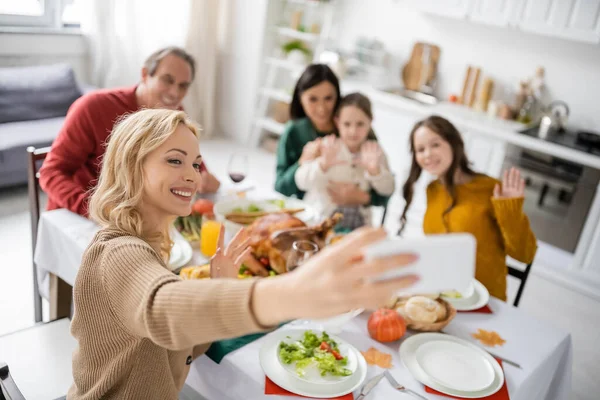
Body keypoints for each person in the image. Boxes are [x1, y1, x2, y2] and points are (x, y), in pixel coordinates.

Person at [67, 108, 418, 399]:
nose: (192, 175)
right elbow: (162, 312)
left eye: (196, 164)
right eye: (175, 160)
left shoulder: (149, 247)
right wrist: (293, 294)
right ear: (130, 166)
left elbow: (176, 346)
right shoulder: (117, 252)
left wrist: (218, 287)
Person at [39, 46, 220, 217]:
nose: (175, 93)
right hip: (84, 213)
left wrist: (202, 174)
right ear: (144, 75)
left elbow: (187, 156)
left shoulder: (173, 112)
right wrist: (97, 209)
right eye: (167, 80)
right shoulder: (92, 107)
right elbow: (51, 173)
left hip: (137, 213)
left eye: (183, 86)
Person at [398, 115, 537, 300]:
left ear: (454, 143)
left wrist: (510, 210)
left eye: (435, 145)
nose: (427, 154)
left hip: (483, 299)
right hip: (442, 294)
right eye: (420, 149)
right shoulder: (433, 190)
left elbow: (525, 255)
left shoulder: (491, 189)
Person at [275, 64, 390, 209]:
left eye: (328, 98)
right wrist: (302, 162)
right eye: (313, 99)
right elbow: (281, 187)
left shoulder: (356, 127)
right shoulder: (293, 132)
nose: (322, 108)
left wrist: (361, 197)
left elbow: (385, 190)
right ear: (300, 98)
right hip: (307, 211)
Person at [295, 93, 395, 231]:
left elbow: (388, 189)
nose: (353, 131)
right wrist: (323, 164)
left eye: (360, 124)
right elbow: (301, 182)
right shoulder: (327, 146)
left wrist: (375, 171)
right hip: (320, 220)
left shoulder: (375, 152)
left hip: (359, 226)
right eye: (347, 124)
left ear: (370, 122)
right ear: (337, 122)